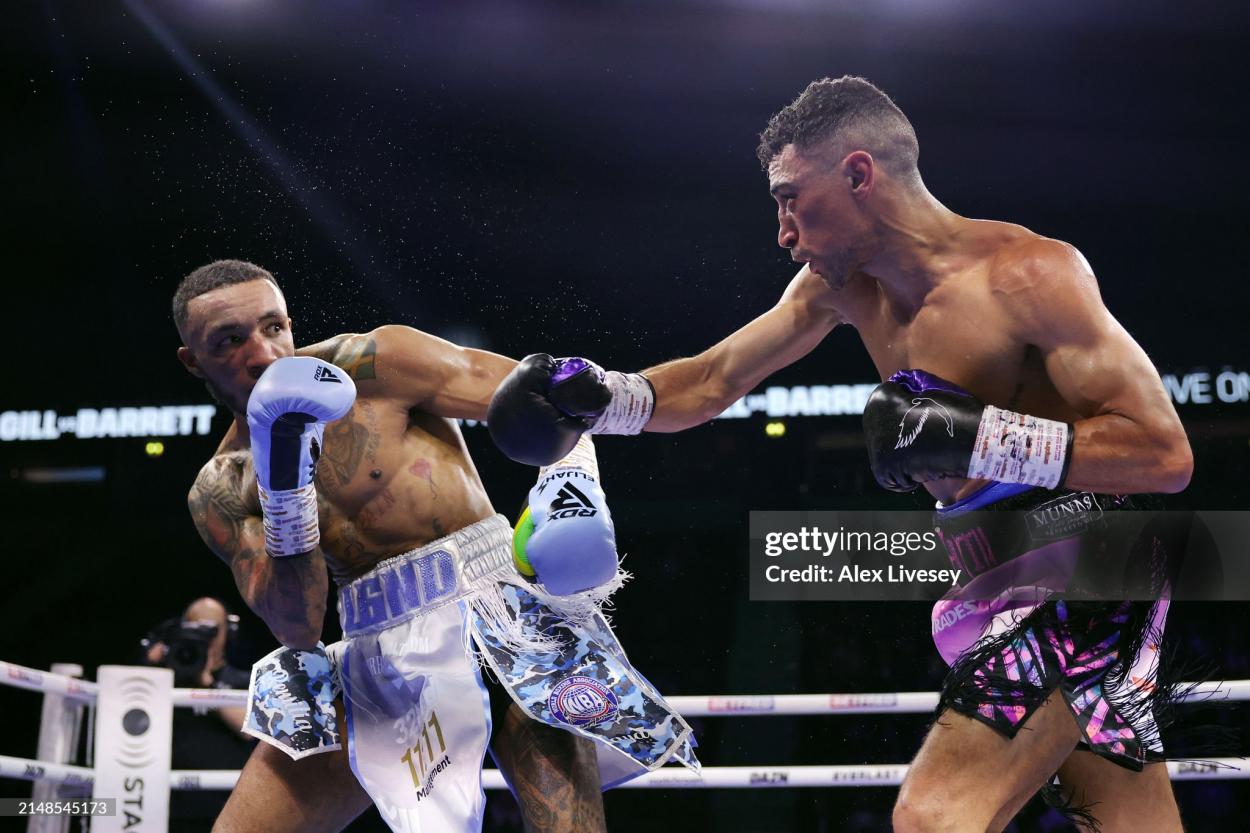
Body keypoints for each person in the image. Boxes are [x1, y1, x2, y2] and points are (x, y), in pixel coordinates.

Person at [486, 76, 1194, 832]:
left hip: (1091, 556)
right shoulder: (842, 289)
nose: (784, 230)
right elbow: (712, 379)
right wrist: (599, 396)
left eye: (791, 197)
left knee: (934, 817)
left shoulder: (1029, 274)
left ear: (859, 175)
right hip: (990, 568)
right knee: (1127, 822)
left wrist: (982, 436)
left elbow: (1164, 454)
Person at [173, 260, 695, 833]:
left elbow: (545, 400)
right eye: (230, 340)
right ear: (193, 361)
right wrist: (284, 484)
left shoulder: (376, 363)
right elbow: (298, 627)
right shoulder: (221, 486)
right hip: (376, 647)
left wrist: (570, 478)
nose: (262, 352)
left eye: (273, 327)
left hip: (501, 616)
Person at [142, 597, 255, 833]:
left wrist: (207, 685)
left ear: (229, 632)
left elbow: (249, 729)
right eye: (195, 628)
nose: (204, 637)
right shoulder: (162, 678)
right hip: (168, 807)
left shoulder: (243, 680)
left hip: (227, 809)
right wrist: (149, 665)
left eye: (211, 629)